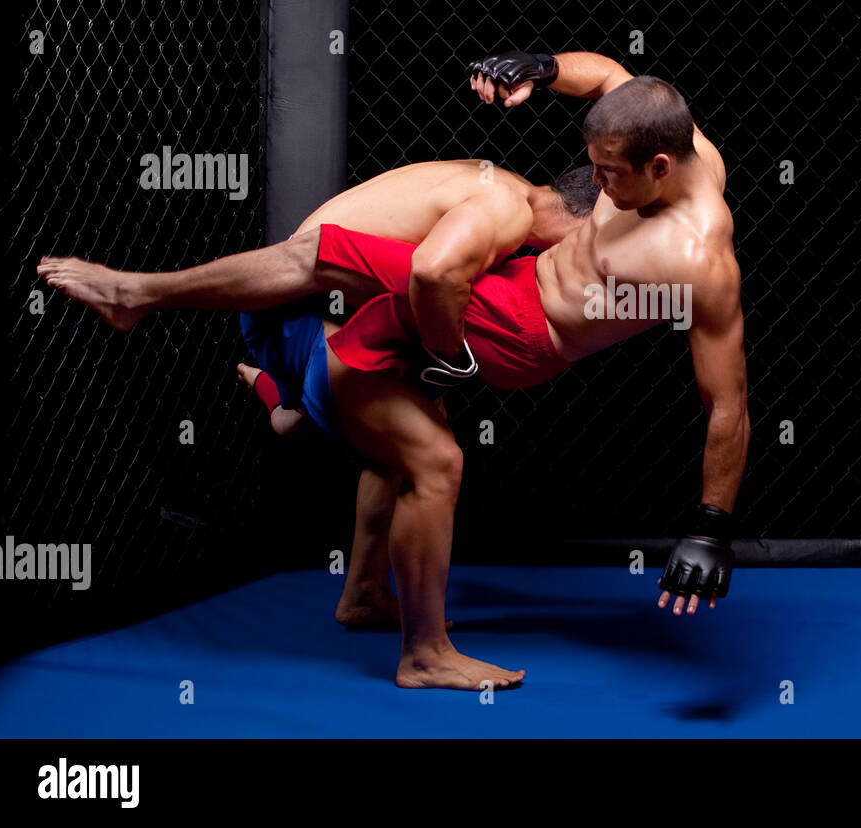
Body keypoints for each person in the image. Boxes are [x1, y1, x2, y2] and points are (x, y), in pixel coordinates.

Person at [39, 51, 750, 688]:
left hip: (520, 335)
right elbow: (608, 76)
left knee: (328, 261)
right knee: (390, 413)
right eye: (592, 166)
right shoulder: (663, 134)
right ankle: (362, 583)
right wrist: (540, 67)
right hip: (507, 289)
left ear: (660, 168)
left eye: (609, 176)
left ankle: (136, 294)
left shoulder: (696, 261)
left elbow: (727, 402)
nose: (594, 185)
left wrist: (711, 524)